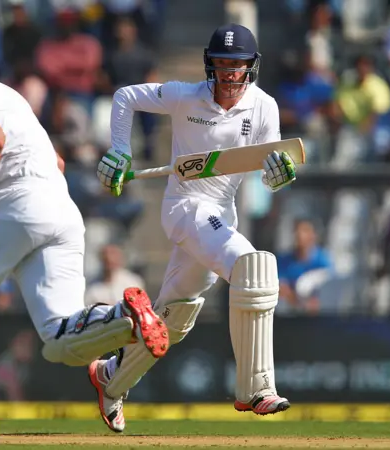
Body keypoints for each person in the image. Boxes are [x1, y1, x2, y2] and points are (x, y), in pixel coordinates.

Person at [0, 25, 169, 444]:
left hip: (22, 200)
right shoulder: (7, 93)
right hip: (61, 207)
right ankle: (123, 316)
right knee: (59, 339)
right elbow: (57, 162)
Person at [92, 23, 295, 433]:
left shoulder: (263, 107)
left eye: (237, 66)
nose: (229, 74)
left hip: (220, 213)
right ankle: (256, 389)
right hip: (184, 206)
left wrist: (277, 175)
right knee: (252, 265)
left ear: (250, 68)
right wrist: (120, 149)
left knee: (172, 321)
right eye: (222, 64)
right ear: (210, 65)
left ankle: (111, 377)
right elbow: (126, 96)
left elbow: (270, 171)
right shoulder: (186, 96)